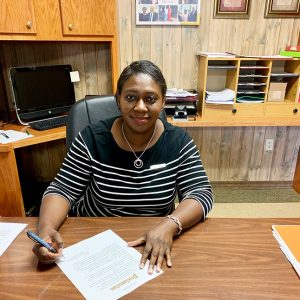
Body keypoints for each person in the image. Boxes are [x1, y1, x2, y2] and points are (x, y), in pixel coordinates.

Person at [32, 60, 214, 274]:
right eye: (130, 97)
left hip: (155, 236)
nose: (140, 107)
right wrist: (46, 230)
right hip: (92, 236)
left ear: (163, 101)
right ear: (118, 99)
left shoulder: (178, 142)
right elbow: (62, 189)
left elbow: (200, 192)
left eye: (150, 99)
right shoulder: (92, 138)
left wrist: (170, 224)